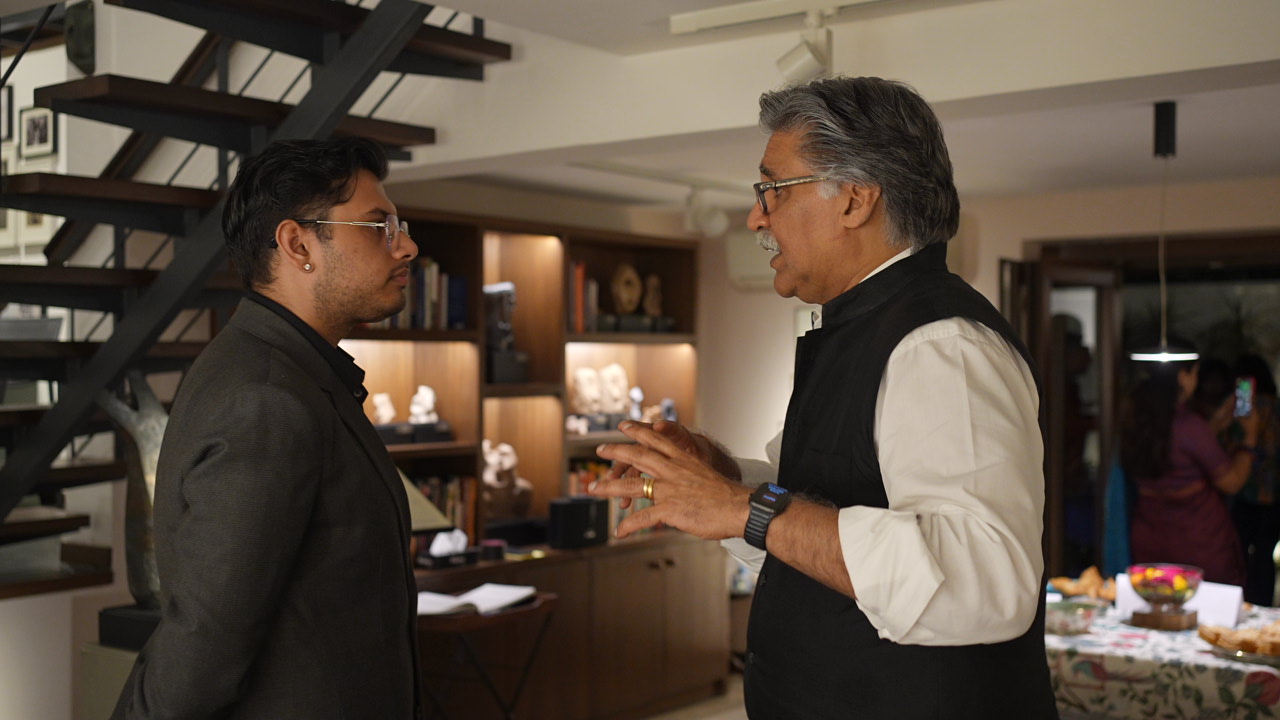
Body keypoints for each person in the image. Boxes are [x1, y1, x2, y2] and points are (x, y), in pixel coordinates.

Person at [589, 76, 1056, 718]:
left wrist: (743, 508)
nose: (756, 217)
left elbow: (984, 584)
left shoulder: (941, 346)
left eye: (773, 190)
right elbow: (821, 510)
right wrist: (718, 480)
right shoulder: (864, 328)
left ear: (855, 200)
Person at [111, 137, 424, 719]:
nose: (406, 245)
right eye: (378, 226)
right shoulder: (265, 399)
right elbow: (203, 643)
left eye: (398, 227)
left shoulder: (297, 375)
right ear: (297, 244)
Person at [1123, 352, 1258, 587]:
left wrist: (1213, 426)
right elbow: (1232, 482)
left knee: (1158, 601)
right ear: (1183, 377)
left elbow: (1176, 449)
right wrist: (1250, 438)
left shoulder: (1136, 418)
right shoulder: (1189, 426)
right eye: (1195, 373)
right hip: (1197, 543)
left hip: (1151, 538)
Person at [1231, 354, 1280, 605]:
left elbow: (1232, 443)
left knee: (1240, 555)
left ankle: (1243, 603)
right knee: (1264, 556)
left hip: (1245, 489)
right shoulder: (1276, 406)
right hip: (1272, 494)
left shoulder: (1243, 407)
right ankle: (1262, 605)